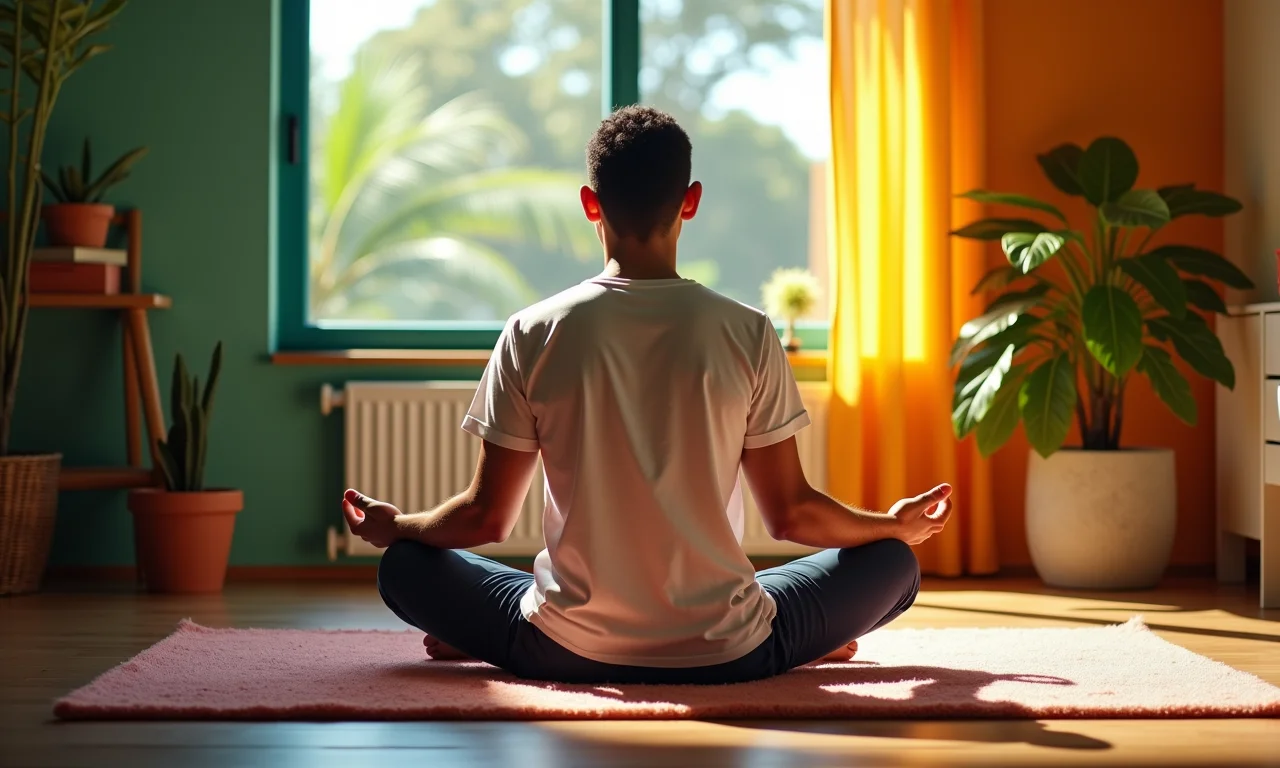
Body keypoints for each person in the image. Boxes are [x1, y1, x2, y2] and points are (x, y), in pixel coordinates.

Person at [342, 105, 953, 685]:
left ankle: (480, 635)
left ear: (590, 204)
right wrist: (892, 524)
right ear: (691, 202)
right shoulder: (747, 331)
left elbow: (486, 518)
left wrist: (397, 525)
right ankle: (813, 636)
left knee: (403, 565)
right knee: (893, 562)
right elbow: (792, 515)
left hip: (559, 650)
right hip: (731, 653)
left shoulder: (532, 331)